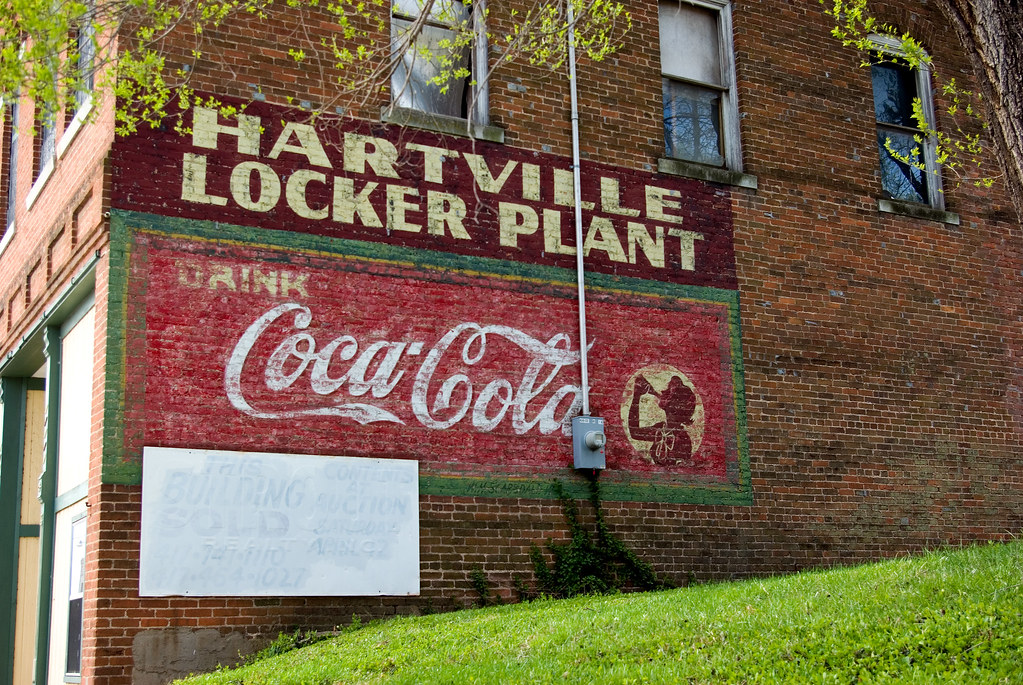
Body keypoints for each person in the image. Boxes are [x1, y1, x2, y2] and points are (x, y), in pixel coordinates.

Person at [628, 374, 697, 465]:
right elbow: (634, 433)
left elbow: (681, 468)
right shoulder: (663, 428)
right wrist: (636, 397)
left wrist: (638, 397)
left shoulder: (682, 438)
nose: (663, 393)